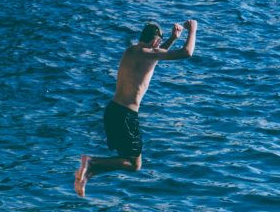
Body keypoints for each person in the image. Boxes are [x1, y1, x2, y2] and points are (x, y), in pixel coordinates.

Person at [73, 19, 197, 197]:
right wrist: (192, 30)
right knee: (134, 164)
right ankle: (91, 163)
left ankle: (87, 174)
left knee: (122, 159)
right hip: (126, 115)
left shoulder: (131, 51)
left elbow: (155, 56)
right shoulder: (149, 53)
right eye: (159, 43)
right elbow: (187, 53)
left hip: (113, 111)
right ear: (155, 42)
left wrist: (172, 39)